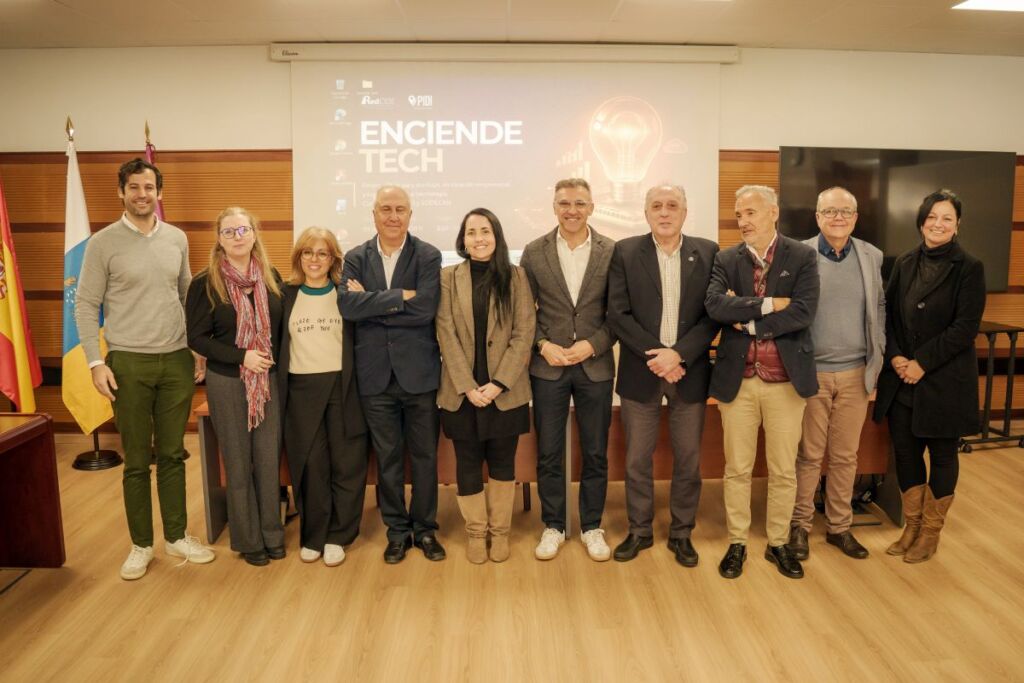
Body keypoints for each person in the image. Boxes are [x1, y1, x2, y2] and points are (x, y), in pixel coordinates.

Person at [75, 157, 215, 581]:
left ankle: (176, 536)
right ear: (121, 192)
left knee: (172, 454)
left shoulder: (176, 238)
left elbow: (186, 293)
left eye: (149, 187)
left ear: (159, 192)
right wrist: (95, 362)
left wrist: (197, 348)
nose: (142, 194)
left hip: (175, 360)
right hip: (127, 362)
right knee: (137, 459)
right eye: (134, 187)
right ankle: (141, 545)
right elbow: (86, 304)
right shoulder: (102, 243)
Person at [705, 184, 819, 580]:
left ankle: (777, 543)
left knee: (783, 470)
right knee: (737, 468)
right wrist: (770, 304)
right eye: (739, 214)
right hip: (737, 382)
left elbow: (803, 312)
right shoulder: (726, 259)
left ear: (773, 212)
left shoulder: (802, 256)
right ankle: (737, 542)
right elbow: (715, 305)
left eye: (750, 212)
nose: (743, 221)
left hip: (786, 381)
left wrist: (749, 321)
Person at [607, 184, 720, 566]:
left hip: (689, 371)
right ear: (646, 213)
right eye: (656, 206)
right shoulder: (625, 252)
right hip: (642, 370)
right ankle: (639, 530)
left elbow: (712, 314)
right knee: (637, 459)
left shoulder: (708, 252)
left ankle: (682, 533)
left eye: (672, 205)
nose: (665, 212)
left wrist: (679, 355)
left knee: (688, 459)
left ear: (685, 212)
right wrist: (658, 356)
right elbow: (618, 314)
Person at [872, 189, 985, 563]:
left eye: (947, 218)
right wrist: (896, 357)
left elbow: (965, 328)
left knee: (942, 456)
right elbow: (887, 316)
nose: (939, 224)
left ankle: (930, 534)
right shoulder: (904, 262)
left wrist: (921, 363)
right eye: (932, 217)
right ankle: (912, 526)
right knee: (906, 455)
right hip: (902, 379)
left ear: (957, 225)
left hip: (944, 382)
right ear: (921, 222)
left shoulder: (969, 268)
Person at [339, 185, 446, 564]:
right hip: (375, 377)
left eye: (400, 209)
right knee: (387, 460)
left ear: (410, 215)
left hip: (419, 375)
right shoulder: (355, 257)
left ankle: (426, 529)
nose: (393, 216)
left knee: (425, 458)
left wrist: (371, 300)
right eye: (386, 208)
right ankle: (397, 532)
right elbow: (348, 307)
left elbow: (426, 309)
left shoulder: (428, 255)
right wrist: (402, 296)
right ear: (374, 214)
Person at [519, 178, 615, 562]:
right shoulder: (534, 252)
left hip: (595, 365)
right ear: (554, 207)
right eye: (564, 203)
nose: (571, 210)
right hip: (549, 367)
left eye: (579, 203)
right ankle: (554, 525)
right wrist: (542, 345)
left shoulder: (612, 251)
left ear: (591, 207)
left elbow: (619, 312)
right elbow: (523, 313)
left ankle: (592, 526)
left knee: (595, 452)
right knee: (549, 452)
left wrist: (593, 344)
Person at [787, 187, 885, 561]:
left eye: (845, 211)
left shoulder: (871, 255)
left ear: (855, 218)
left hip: (856, 374)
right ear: (817, 217)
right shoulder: (799, 255)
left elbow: (879, 309)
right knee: (809, 455)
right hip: (812, 373)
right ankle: (799, 526)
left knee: (845, 456)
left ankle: (839, 528)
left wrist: (876, 362)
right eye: (830, 211)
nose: (838, 217)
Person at [185, 207, 285, 567]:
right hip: (228, 381)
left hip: (268, 383)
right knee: (239, 462)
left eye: (243, 230)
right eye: (229, 232)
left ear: (254, 234)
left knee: (268, 460)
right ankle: (248, 539)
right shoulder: (205, 283)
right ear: (219, 239)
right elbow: (197, 337)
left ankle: (272, 534)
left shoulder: (271, 277)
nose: (237, 237)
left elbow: (281, 331)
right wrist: (243, 357)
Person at [437, 209, 535, 563]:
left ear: (497, 236)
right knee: (466, 463)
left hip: (505, 392)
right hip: (460, 392)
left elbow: (524, 332)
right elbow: (445, 332)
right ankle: (477, 534)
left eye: (485, 231)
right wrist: (468, 386)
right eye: (471, 232)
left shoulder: (516, 276)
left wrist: (498, 384)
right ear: (462, 240)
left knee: (502, 462)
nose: (478, 238)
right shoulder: (448, 278)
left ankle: (500, 532)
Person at [279, 227, 368, 567]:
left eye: (322, 253)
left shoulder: (346, 293)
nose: (314, 259)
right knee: (311, 465)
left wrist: (364, 299)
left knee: (347, 464)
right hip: (301, 390)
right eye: (308, 252)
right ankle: (314, 535)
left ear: (333, 259)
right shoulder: (284, 295)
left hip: (343, 387)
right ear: (299, 257)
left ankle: (339, 536)